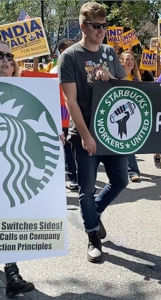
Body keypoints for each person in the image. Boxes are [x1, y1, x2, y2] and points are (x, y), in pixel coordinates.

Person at [59, 2, 127, 263]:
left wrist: (110, 77)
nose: (101, 31)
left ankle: (92, 215)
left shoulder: (110, 53)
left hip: (111, 131)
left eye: (104, 26)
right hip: (84, 132)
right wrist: (86, 135)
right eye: (96, 26)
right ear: (83, 26)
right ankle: (93, 238)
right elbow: (70, 100)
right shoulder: (70, 56)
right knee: (85, 190)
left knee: (120, 180)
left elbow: (124, 88)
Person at [0, 40, 35, 298]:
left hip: (11, 168)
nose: (4, 60)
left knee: (10, 215)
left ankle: (12, 272)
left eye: (8, 55)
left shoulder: (27, 93)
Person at [49, 38, 78, 190]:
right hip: (60, 115)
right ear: (62, 51)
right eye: (70, 48)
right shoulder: (54, 72)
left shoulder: (76, 68)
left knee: (71, 146)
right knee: (65, 147)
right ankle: (71, 177)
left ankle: (73, 176)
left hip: (74, 114)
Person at [119, 50, 141, 182]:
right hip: (119, 112)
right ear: (121, 61)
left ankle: (132, 171)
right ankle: (132, 171)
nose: (130, 62)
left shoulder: (136, 78)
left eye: (132, 59)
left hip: (132, 114)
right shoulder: (116, 76)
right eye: (127, 59)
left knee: (128, 142)